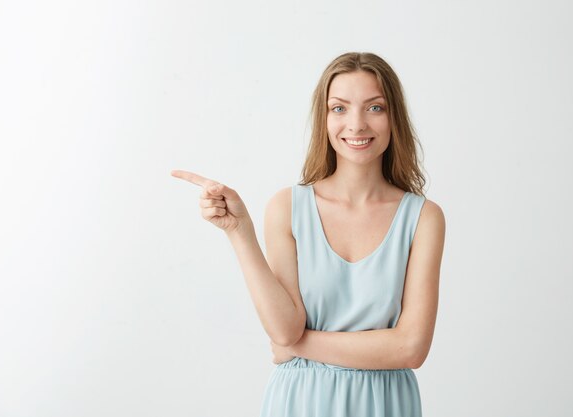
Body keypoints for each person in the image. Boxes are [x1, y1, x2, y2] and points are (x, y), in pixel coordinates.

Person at [171, 51, 445, 417]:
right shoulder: (288, 207)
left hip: (385, 405)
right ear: (324, 118)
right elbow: (286, 329)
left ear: (394, 117)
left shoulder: (423, 217)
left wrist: (300, 347)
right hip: (300, 402)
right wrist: (239, 232)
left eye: (375, 108)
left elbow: (410, 349)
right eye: (340, 108)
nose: (357, 124)